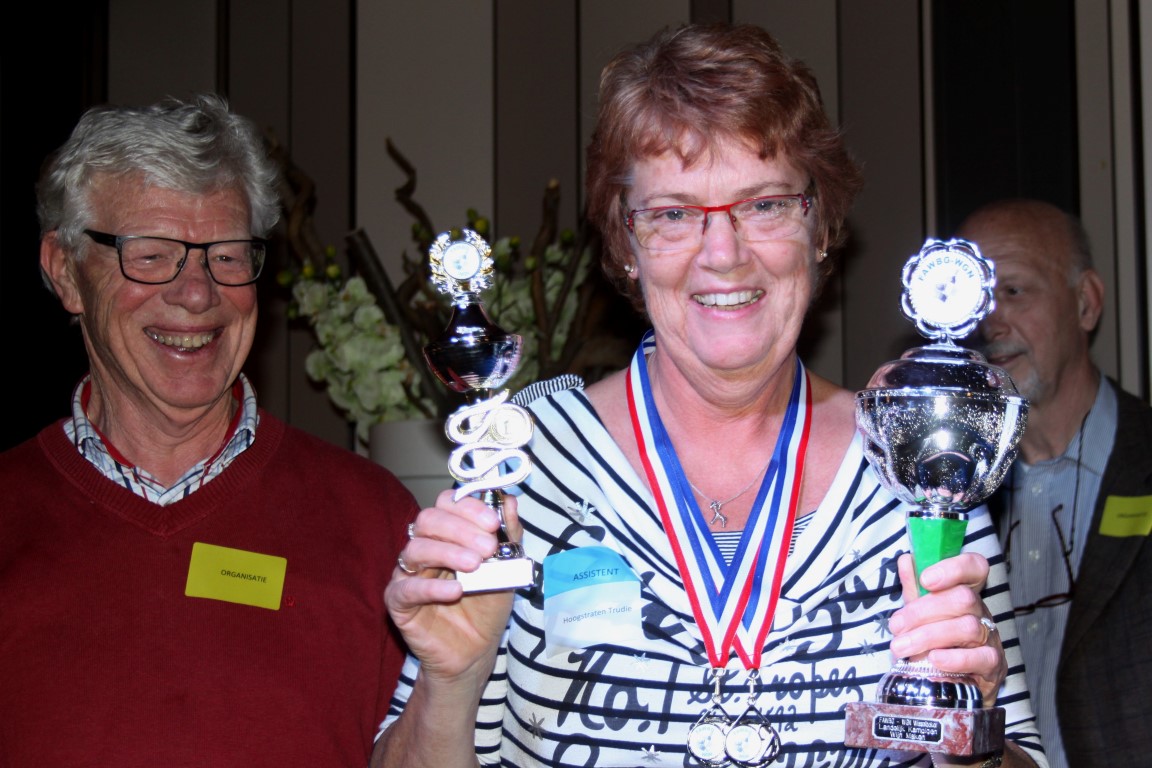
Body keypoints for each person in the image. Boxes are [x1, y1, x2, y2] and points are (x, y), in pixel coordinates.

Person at [374, 24, 1046, 768]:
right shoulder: (524, 463)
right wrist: (450, 685)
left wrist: (973, 743)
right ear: (626, 246)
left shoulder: (919, 455)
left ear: (820, 227)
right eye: (673, 213)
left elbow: (1022, 752)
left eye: (764, 204)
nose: (722, 254)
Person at [0, 94, 415, 766]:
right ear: (66, 272)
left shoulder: (374, 520)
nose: (196, 294)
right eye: (151, 254)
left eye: (226, 256)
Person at [956, 199, 1152, 768]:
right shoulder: (939, 493)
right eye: (975, 295)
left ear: (1086, 303)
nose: (990, 322)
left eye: (1014, 290)